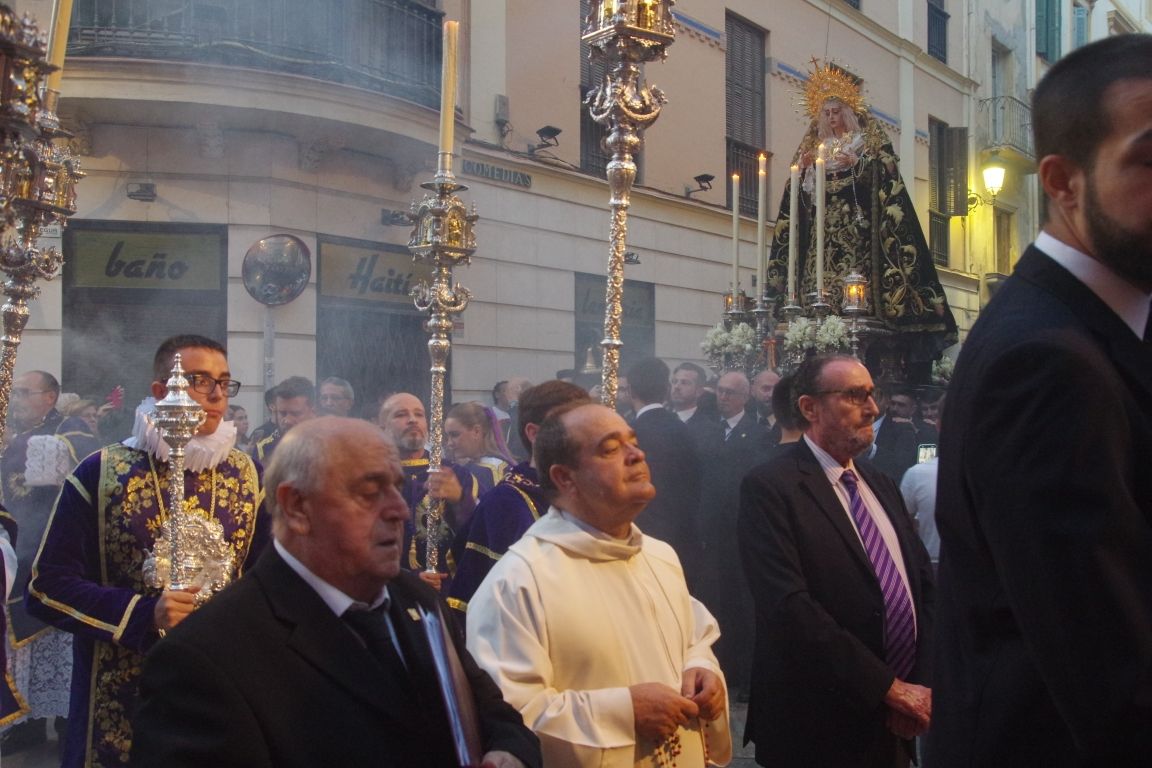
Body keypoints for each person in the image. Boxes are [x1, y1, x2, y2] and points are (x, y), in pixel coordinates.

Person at [929, 35, 1152, 766]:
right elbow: (1112, 670)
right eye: (1149, 160)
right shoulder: (1046, 362)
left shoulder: (1095, 327)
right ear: (1063, 181)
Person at [129, 417, 541, 768]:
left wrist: (509, 752)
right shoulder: (205, 657)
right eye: (369, 491)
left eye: (396, 487)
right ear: (296, 508)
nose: (398, 509)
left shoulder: (418, 600)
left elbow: (495, 714)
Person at [26, 335, 268, 767]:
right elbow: (47, 588)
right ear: (160, 392)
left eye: (225, 383)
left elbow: (269, 580)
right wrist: (143, 613)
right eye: (200, 380)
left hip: (219, 686)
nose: (216, 395)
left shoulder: (250, 475)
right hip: (119, 695)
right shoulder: (101, 472)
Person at [467, 402, 732, 768]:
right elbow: (510, 719)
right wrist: (623, 712)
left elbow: (693, 638)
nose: (636, 454)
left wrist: (702, 670)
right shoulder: (520, 582)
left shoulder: (660, 556)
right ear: (564, 478)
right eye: (611, 449)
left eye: (633, 442)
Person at [738, 355, 934, 767]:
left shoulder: (879, 483)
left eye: (872, 394)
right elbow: (789, 606)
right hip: (816, 722)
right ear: (810, 408)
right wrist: (887, 687)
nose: (873, 408)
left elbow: (920, 585)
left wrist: (922, 680)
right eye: (854, 395)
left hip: (894, 719)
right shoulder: (772, 487)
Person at [766, 62, 956, 380]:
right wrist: (806, 170)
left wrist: (858, 163)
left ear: (848, 113)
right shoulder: (818, 148)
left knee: (854, 274)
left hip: (856, 229)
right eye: (826, 113)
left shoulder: (863, 144)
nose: (831, 118)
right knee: (818, 273)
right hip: (821, 233)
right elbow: (800, 194)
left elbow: (886, 175)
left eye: (836, 112)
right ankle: (816, 307)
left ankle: (857, 307)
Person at [0, 373, 100, 754]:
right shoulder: (11, 430)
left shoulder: (67, 426)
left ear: (51, 396)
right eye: (16, 392)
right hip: (18, 542)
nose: (18, 399)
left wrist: (23, 444)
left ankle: (63, 717)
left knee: (58, 637)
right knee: (19, 644)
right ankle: (27, 722)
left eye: (26, 392)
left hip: (55, 547)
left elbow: (83, 456)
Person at [447, 381, 590, 617]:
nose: (587, 436)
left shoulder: (593, 494)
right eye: (575, 426)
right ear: (534, 433)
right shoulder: (505, 503)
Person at [377, 393, 476, 591]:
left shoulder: (455, 474)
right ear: (383, 428)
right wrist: (407, 578)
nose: (413, 419)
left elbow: (478, 536)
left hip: (448, 590)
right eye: (401, 414)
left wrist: (460, 499)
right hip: (393, 591)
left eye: (419, 414)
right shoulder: (374, 476)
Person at [626, 358, 702, 586]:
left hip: (640, 541)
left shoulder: (629, 434)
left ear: (631, 391)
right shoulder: (683, 429)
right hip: (682, 541)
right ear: (666, 389)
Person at [444, 401, 513, 494]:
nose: (449, 443)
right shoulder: (472, 466)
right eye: (447, 436)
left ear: (476, 431)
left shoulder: (490, 469)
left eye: (455, 435)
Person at [253, 376, 316, 464]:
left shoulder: (330, 444)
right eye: (282, 413)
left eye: (295, 414)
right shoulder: (264, 448)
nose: (287, 420)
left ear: (313, 411)